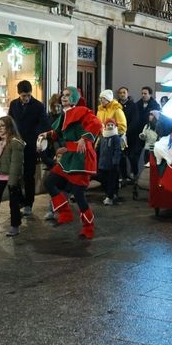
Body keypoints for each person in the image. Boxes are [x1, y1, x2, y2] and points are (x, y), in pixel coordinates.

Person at [41, 87, 102, 239]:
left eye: (68, 95)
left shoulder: (82, 110)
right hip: (69, 157)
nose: (64, 97)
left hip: (81, 157)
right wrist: (46, 134)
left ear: (74, 97)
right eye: (63, 95)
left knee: (78, 194)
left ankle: (88, 228)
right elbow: (58, 133)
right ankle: (65, 212)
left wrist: (84, 138)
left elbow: (96, 124)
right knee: (49, 181)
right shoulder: (64, 114)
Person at [8, 80, 50, 217]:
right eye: (23, 96)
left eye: (27, 95)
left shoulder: (38, 106)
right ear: (19, 94)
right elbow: (10, 121)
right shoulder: (14, 104)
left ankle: (28, 204)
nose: (25, 98)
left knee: (28, 175)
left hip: (31, 146)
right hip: (16, 144)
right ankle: (19, 200)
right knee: (14, 174)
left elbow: (44, 124)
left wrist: (34, 136)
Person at [117, 87, 140, 184]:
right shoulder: (116, 106)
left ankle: (135, 174)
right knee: (121, 157)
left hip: (131, 136)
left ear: (127, 93)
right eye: (120, 93)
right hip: (120, 135)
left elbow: (135, 120)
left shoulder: (133, 105)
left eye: (124, 92)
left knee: (132, 156)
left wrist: (127, 131)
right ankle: (124, 176)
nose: (122, 94)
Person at [97, 118, 123, 205]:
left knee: (111, 180)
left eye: (112, 125)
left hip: (112, 165)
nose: (110, 126)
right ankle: (109, 194)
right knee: (103, 180)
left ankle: (110, 197)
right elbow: (98, 150)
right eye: (108, 125)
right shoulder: (102, 137)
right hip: (102, 164)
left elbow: (117, 150)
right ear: (105, 126)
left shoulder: (116, 138)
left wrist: (115, 161)